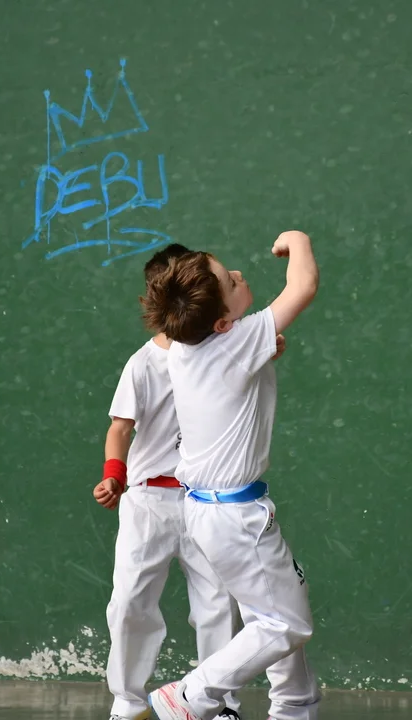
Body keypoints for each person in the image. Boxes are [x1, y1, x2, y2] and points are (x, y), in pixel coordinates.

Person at [141, 231, 321, 720]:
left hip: (209, 512)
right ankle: (192, 695)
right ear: (221, 323)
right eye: (230, 281)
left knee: (275, 607)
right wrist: (298, 240)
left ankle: (295, 708)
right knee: (285, 624)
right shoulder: (237, 341)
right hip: (237, 518)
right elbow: (302, 286)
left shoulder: (185, 346)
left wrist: (259, 352)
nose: (238, 275)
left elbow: (232, 372)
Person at [95, 243, 267, 720]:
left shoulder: (221, 348)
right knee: (129, 601)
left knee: (217, 604)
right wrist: (114, 474)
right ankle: (127, 704)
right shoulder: (142, 364)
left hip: (203, 500)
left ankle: (219, 705)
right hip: (148, 501)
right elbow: (120, 428)